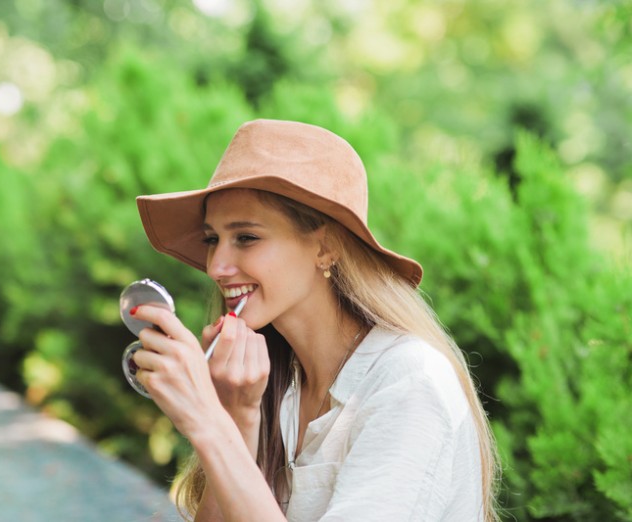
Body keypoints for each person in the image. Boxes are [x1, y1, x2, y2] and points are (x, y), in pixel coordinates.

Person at [129, 119, 498, 521]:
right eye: (212, 239)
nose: (216, 266)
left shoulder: (409, 382)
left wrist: (205, 419)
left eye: (246, 237)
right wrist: (235, 418)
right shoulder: (274, 385)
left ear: (325, 248)